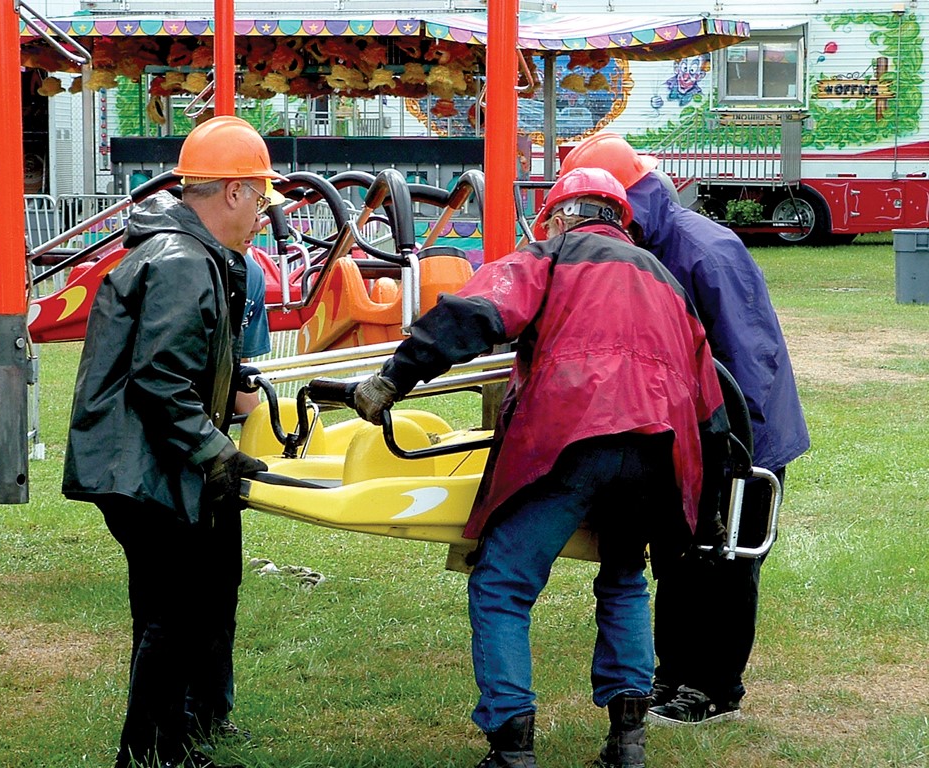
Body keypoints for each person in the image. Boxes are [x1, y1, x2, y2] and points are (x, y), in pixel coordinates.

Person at [350, 168, 731, 768]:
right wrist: (706, 514)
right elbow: (713, 413)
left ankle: (511, 746)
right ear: (621, 221)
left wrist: (392, 377)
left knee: (504, 583)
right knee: (625, 579)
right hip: (656, 451)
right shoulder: (667, 284)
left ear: (557, 216)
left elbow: (477, 313)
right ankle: (627, 745)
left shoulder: (550, 255)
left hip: (570, 436)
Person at [559, 132, 810, 725]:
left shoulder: (705, 249)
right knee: (677, 557)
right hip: (686, 434)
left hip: (740, 435)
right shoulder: (637, 248)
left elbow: (750, 357)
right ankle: (673, 677)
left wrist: (731, 448)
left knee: (727, 559)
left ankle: (716, 689)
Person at [62, 115, 284, 768]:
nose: (263, 212)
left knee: (178, 608)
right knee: (175, 613)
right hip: (137, 466)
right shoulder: (183, 260)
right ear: (234, 192)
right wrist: (218, 453)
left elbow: (189, 367)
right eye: (261, 197)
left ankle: (172, 740)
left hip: (142, 458)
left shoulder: (188, 254)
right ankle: (148, 754)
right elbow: (160, 377)